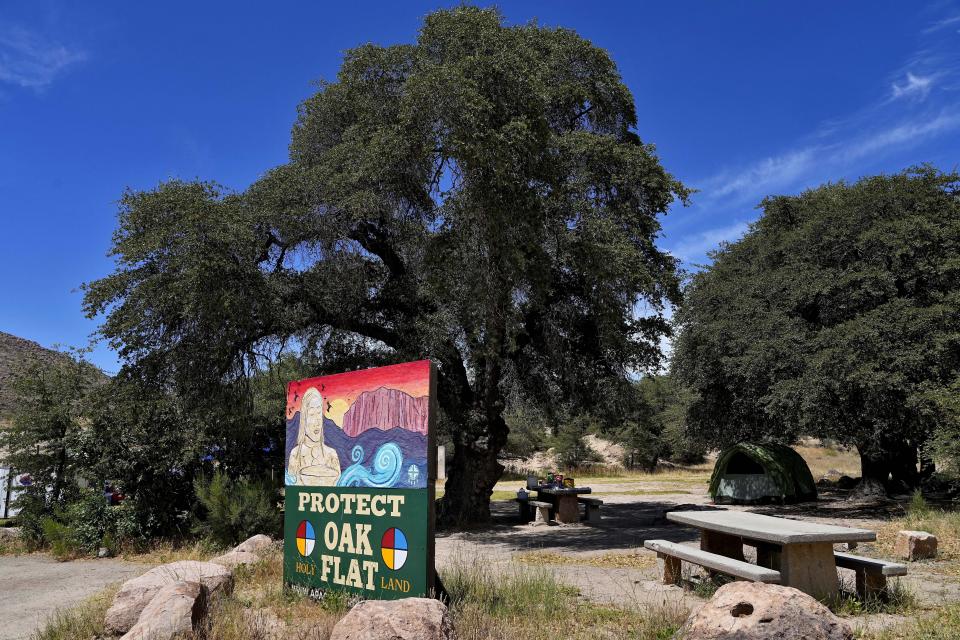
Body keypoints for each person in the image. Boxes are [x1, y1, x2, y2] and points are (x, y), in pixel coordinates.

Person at [287, 387, 342, 486]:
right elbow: (294, 492)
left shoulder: (331, 455)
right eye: (312, 414)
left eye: (319, 413)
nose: (317, 421)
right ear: (304, 418)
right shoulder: (296, 455)